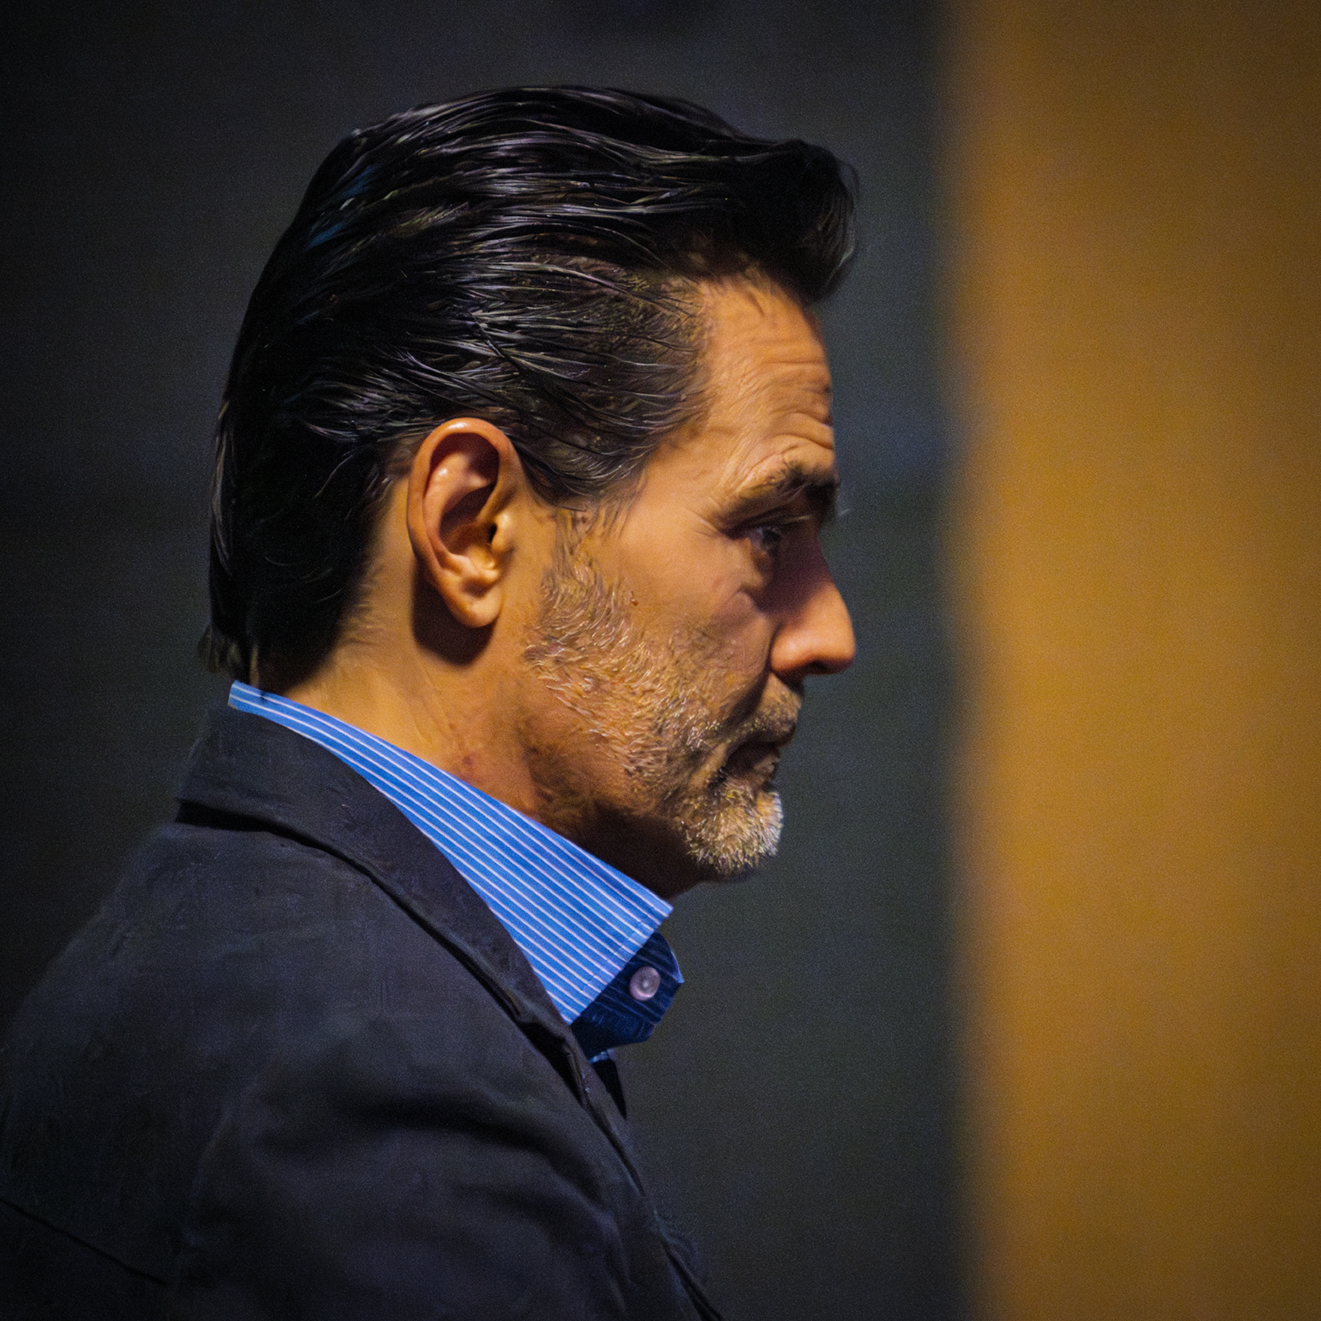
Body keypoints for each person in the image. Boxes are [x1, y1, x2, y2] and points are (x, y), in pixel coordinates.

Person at [0, 87, 856, 1319]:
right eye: (767, 530)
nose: (830, 634)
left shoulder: (208, 943)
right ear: (470, 527)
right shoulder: (386, 1113)